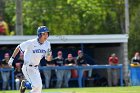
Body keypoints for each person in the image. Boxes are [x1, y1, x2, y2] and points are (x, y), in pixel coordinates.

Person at [8, 26, 51, 93]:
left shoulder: (47, 44)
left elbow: (48, 59)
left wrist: (49, 56)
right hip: (27, 67)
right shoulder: (31, 42)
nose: (46, 35)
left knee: (39, 88)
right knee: (36, 86)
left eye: (47, 33)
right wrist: (12, 58)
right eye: (44, 34)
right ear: (39, 34)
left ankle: (25, 84)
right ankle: (25, 84)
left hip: (36, 68)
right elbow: (19, 47)